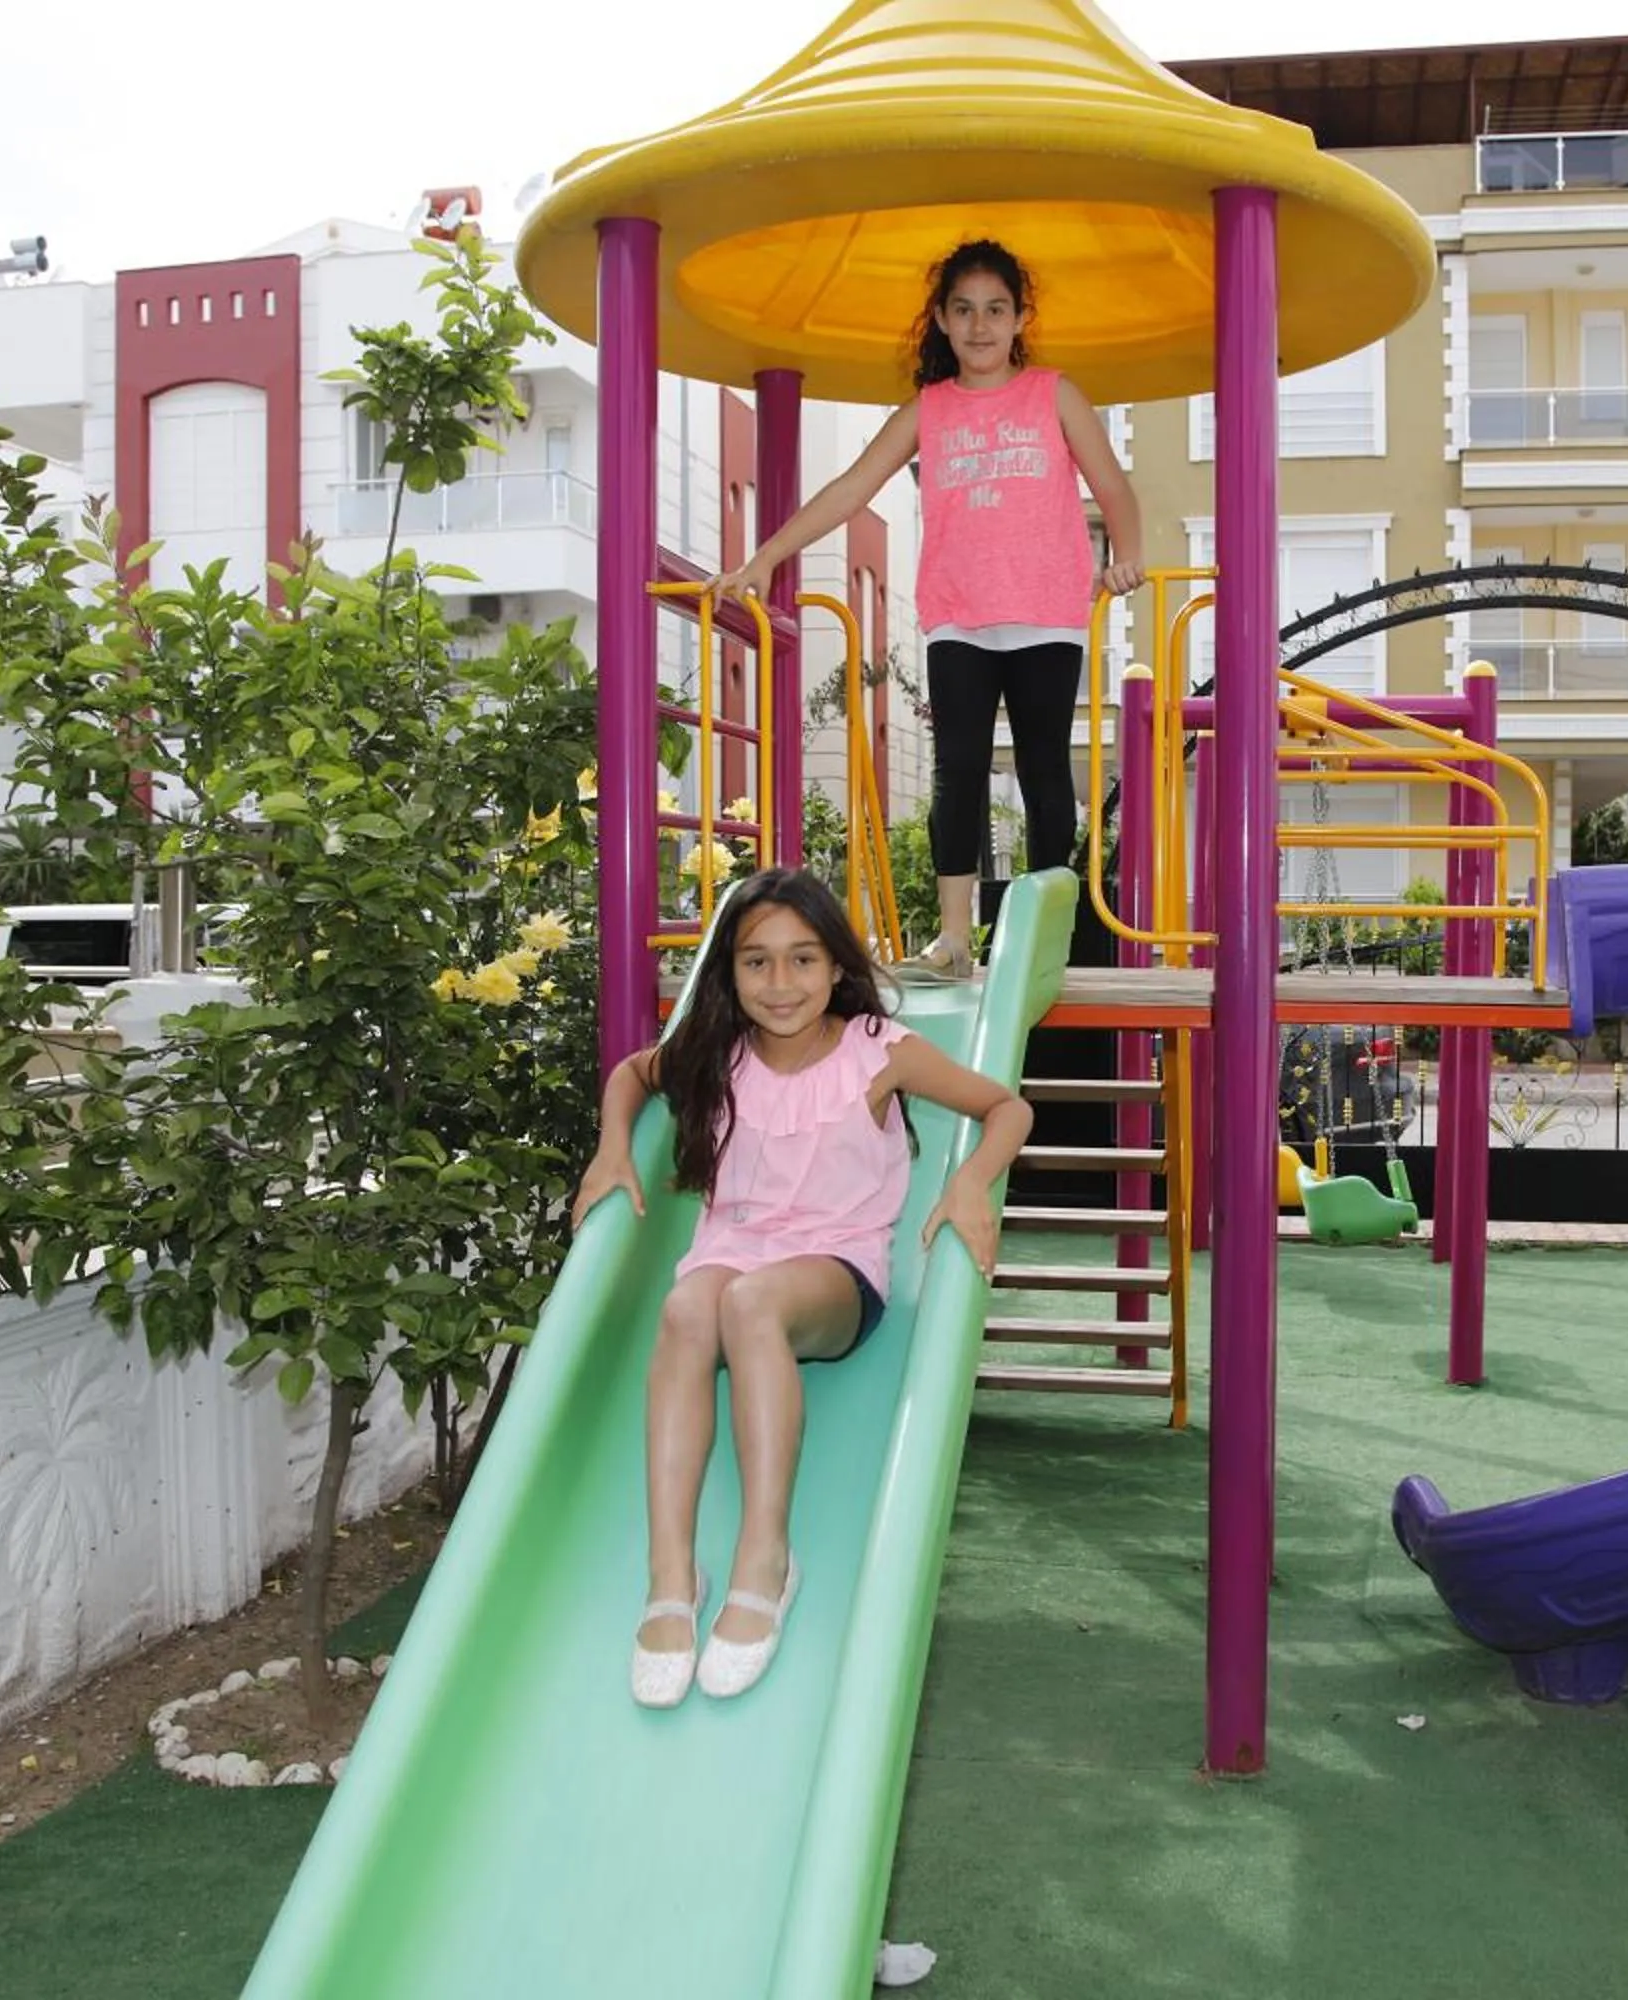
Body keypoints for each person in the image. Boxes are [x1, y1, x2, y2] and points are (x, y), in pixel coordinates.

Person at [573, 867, 1034, 1707]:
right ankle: (671, 1576)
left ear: (835, 966)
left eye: (802, 959)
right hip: (731, 1251)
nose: (780, 983)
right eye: (757, 962)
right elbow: (631, 1076)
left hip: (834, 1270)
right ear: (730, 972)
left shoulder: (878, 1050)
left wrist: (970, 1183)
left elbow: (1008, 1109)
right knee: (686, 1307)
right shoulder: (717, 1051)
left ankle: (766, 1559)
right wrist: (611, 1151)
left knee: (751, 1303)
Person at [715, 238, 1143, 981]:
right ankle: (953, 940)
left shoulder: (1053, 395)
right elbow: (850, 488)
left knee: (1044, 768)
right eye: (964, 310)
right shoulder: (930, 410)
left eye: (996, 310)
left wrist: (1126, 554)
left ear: (1020, 318)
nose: (980, 326)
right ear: (942, 320)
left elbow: (1114, 487)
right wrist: (767, 558)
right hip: (959, 617)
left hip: (1043, 611)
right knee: (958, 770)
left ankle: (1044, 936)